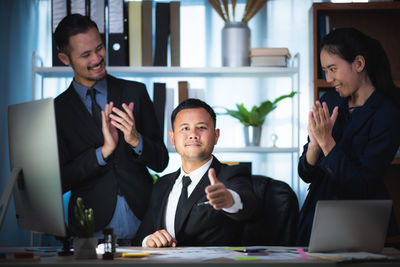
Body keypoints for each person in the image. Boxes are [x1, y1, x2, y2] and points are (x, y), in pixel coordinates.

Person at [54, 14, 169, 243]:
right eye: (86, 55)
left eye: (100, 48)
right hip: (90, 227)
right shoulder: (57, 110)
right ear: (64, 59)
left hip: (146, 223)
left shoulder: (135, 92)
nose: (98, 59)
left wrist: (136, 140)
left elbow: (161, 161)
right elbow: (59, 180)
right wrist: (102, 153)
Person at [296, 28, 400, 246]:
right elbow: (306, 174)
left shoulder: (387, 114)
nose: (329, 78)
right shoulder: (331, 101)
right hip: (314, 217)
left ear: (359, 64)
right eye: (325, 71)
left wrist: (327, 142)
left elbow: (361, 184)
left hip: (358, 223)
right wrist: (314, 146)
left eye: (333, 69)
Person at [133, 98, 257, 247]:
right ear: (172, 138)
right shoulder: (162, 185)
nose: (193, 134)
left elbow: (247, 205)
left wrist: (228, 200)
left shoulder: (232, 174)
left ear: (216, 135)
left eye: (201, 127)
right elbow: (141, 236)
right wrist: (149, 240)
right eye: (185, 128)